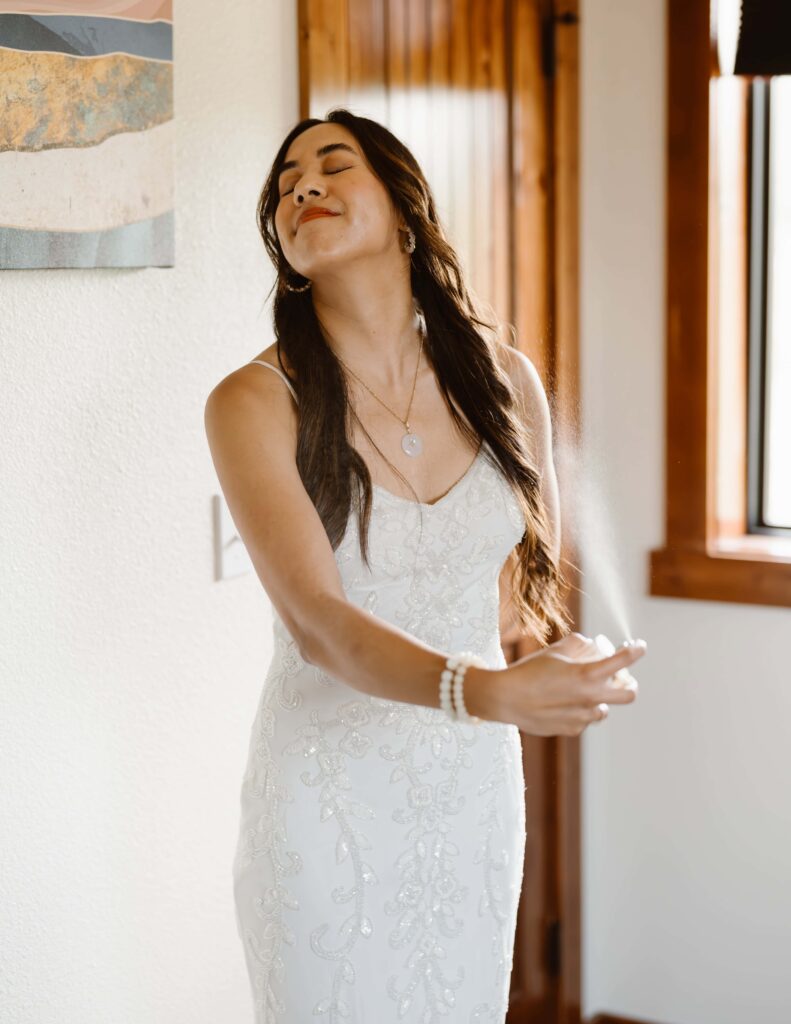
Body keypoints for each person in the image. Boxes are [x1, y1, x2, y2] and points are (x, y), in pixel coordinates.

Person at [204, 108, 646, 1024]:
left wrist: (563, 664)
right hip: (323, 792)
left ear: (406, 213)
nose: (303, 187)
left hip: (469, 792)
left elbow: (507, 603)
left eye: (333, 166)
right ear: (286, 250)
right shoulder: (253, 400)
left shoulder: (505, 382)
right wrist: (487, 692)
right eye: (284, 187)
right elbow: (320, 626)